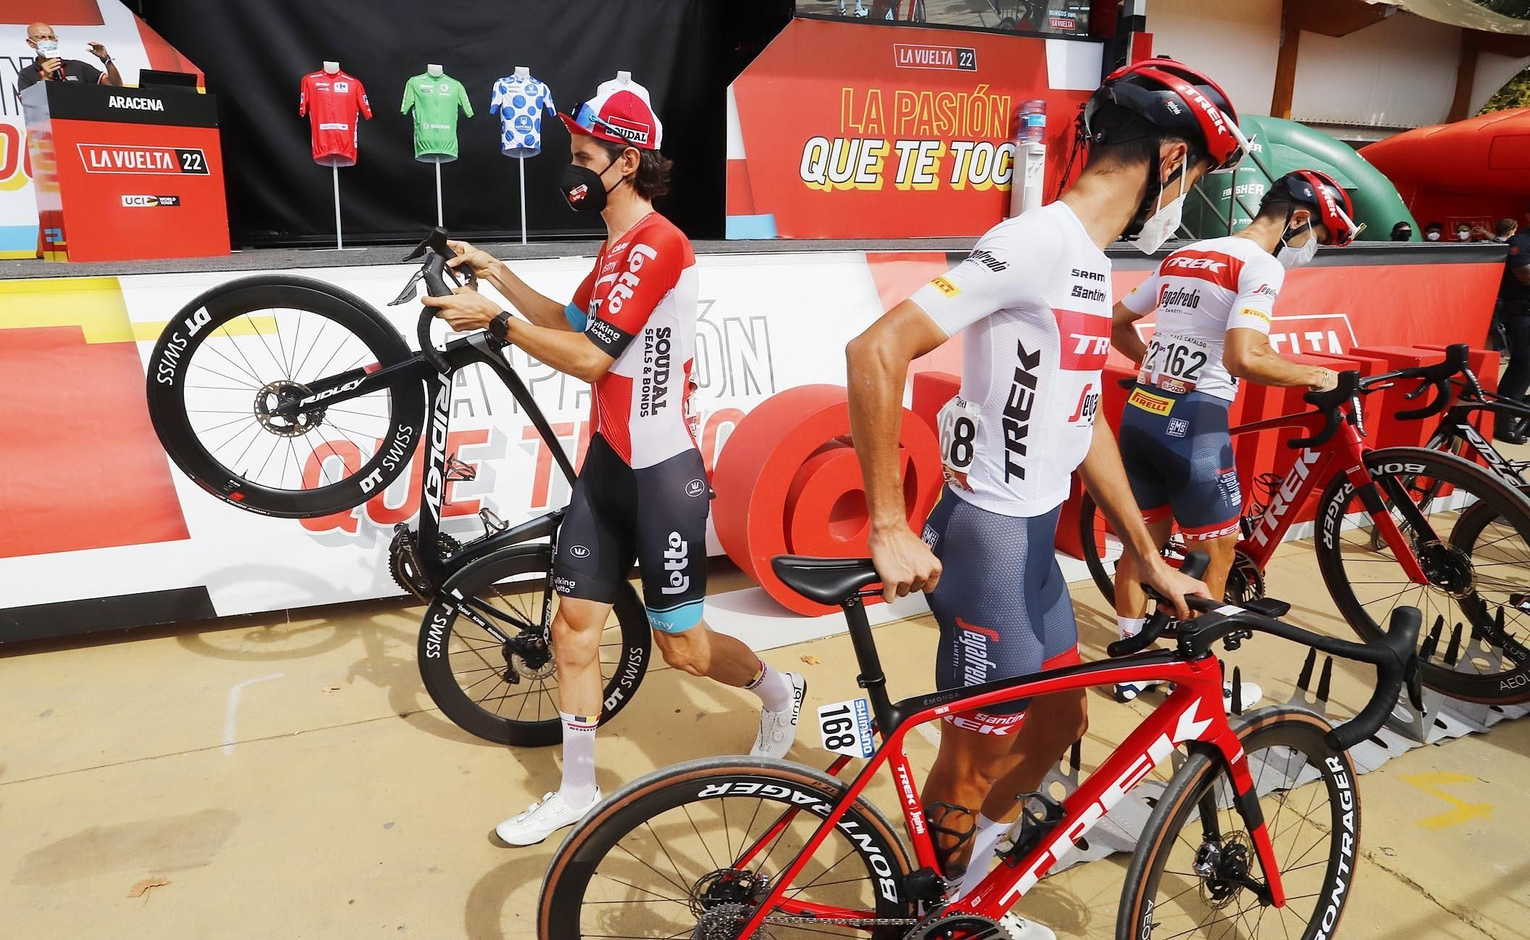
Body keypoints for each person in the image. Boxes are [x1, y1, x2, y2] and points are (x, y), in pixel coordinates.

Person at [844, 57, 1231, 939]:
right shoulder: (1036, 241)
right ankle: (929, 913)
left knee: (1061, 717)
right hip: (988, 545)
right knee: (972, 764)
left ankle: (975, 891)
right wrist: (890, 523)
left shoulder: (1088, 263)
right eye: (1198, 175)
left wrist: (1139, 548)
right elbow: (875, 351)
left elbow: (1082, 415)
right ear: (1170, 159)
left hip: (1030, 551)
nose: (1190, 194)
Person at [421, 78, 805, 845]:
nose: (571, 169)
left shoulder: (659, 242)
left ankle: (778, 691)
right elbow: (568, 320)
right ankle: (577, 789)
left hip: (663, 474)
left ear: (626, 162)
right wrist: (497, 276)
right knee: (572, 630)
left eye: (582, 156)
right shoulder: (619, 245)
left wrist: (494, 322)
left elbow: (593, 358)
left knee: (685, 649)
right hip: (608, 469)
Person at [1107, 170, 1360, 700]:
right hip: (1194, 425)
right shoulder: (1261, 264)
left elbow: (1116, 322)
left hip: (1143, 411)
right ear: (1296, 219)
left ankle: (1131, 665)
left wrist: (1157, 364)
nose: (1309, 248)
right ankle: (1192, 684)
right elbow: (1243, 357)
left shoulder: (1189, 252)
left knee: (1141, 542)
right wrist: (1319, 375)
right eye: (1314, 234)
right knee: (1218, 553)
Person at [1497, 219, 1530, 443]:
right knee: (1523, 363)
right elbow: (1525, 272)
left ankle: (1522, 416)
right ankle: (1502, 419)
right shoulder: (1521, 241)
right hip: (1523, 314)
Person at [15, 22, 122, 90]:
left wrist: (106, 60)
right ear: (31, 43)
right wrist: (46, 78)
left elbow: (115, 87)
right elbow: (31, 106)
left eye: (51, 38)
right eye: (42, 37)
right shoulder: (27, 74)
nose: (48, 41)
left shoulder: (78, 67)